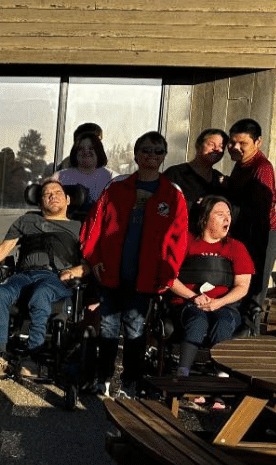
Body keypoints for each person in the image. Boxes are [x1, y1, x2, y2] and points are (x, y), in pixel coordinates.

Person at [62, 131, 189, 398]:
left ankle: (131, 383)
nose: (151, 155)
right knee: (107, 328)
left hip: (146, 277)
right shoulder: (116, 187)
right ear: (136, 154)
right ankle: (103, 380)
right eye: (146, 150)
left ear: (164, 156)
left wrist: (168, 273)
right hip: (111, 272)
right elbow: (93, 226)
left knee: (135, 330)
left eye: (157, 151)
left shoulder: (172, 194)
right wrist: (93, 259)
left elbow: (179, 240)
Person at [0, 180, 82, 378]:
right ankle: (0, 357)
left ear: (68, 199)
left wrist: (76, 271)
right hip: (24, 275)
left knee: (41, 293)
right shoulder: (26, 221)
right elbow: (4, 248)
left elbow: (92, 261)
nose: (52, 196)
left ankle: (32, 358)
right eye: (46, 194)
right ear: (40, 203)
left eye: (58, 192)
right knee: (2, 292)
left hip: (57, 278)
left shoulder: (79, 227)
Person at [167, 195, 254, 384]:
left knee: (223, 322)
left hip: (224, 305)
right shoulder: (186, 242)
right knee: (198, 321)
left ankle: (221, 382)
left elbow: (243, 286)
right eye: (220, 214)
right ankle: (182, 376)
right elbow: (169, 278)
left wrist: (219, 302)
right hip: (189, 304)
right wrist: (193, 297)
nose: (227, 219)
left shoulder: (235, 248)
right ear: (205, 218)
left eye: (229, 215)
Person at [226, 118, 276, 332]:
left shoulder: (262, 168)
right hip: (244, 234)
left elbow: (259, 212)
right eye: (232, 143)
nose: (235, 148)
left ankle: (250, 337)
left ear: (258, 142)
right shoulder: (241, 165)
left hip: (263, 234)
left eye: (243, 143)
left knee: (254, 289)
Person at [163, 129, 229, 227]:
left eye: (221, 147)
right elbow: (162, 206)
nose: (216, 149)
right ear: (198, 145)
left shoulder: (220, 180)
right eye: (211, 144)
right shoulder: (175, 173)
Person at [51, 132, 115, 213]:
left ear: (99, 151)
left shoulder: (111, 177)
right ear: (75, 153)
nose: (86, 151)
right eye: (81, 149)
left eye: (91, 148)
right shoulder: (59, 176)